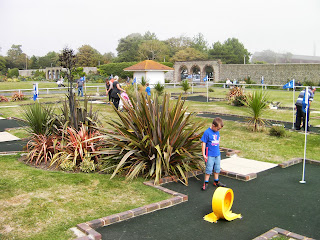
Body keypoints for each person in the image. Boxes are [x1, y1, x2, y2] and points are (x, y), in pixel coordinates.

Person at [201, 117, 226, 190]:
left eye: (219, 129)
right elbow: (203, 143)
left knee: (217, 168)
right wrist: (204, 154)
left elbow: (218, 139)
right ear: (213, 125)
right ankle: (206, 182)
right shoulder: (207, 132)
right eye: (217, 128)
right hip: (210, 155)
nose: (218, 130)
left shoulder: (217, 132)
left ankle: (216, 181)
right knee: (209, 168)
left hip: (217, 154)